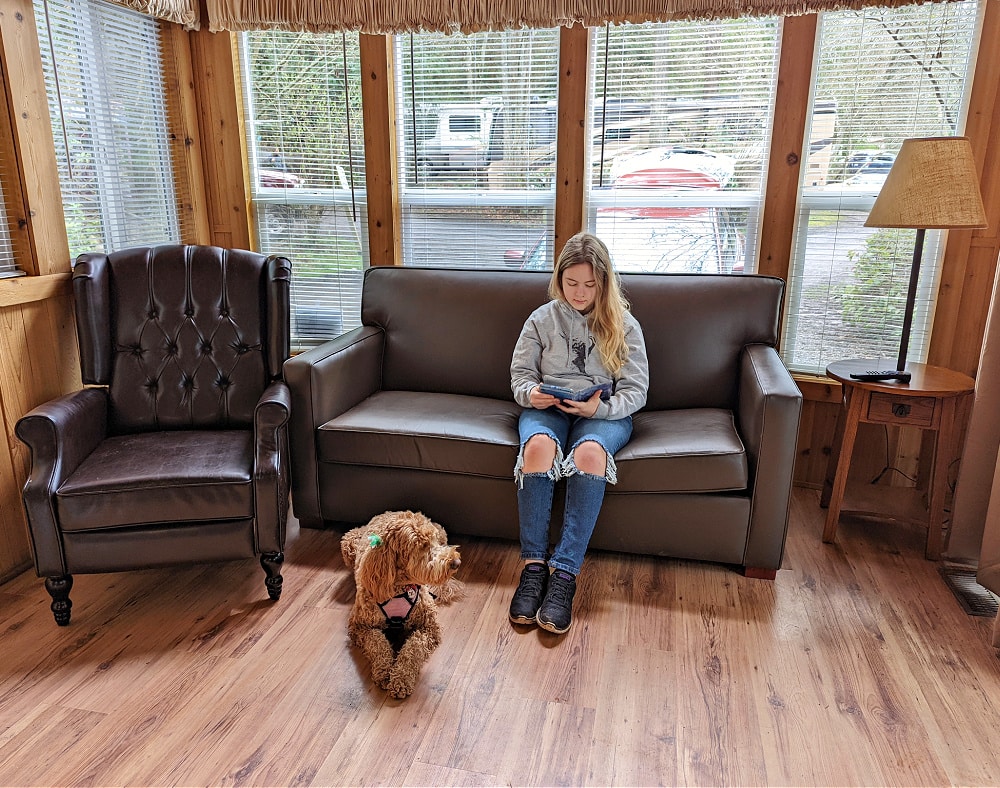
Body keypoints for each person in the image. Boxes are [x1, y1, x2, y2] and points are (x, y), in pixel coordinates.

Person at [509, 231, 649, 634]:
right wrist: (532, 395)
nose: (580, 292)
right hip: (550, 410)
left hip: (601, 413)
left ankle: (564, 576)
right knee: (537, 448)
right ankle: (534, 569)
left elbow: (636, 392)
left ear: (604, 282)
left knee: (589, 454)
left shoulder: (625, 325)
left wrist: (598, 408)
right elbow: (520, 377)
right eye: (572, 283)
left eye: (590, 284)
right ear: (559, 278)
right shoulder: (541, 319)